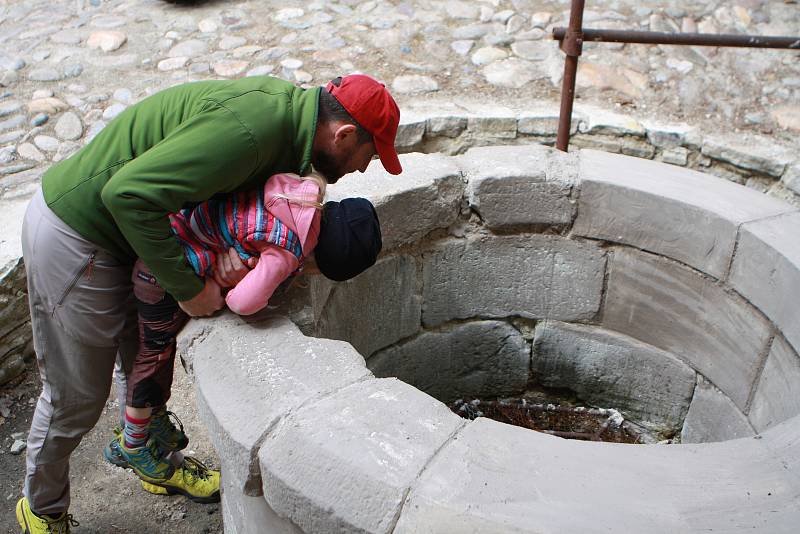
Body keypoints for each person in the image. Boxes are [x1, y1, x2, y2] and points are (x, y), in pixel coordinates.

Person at [16, 73, 401, 533]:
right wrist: (190, 289)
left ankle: (151, 454)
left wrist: (232, 255)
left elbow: (228, 202)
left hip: (131, 238)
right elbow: (126, 195)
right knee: (76, 396)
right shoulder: (252, 131)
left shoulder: (288, 126)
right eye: (370, 155)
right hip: (78, 235)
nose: (362, 169)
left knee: (142, 353)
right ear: (344, 134)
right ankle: (42, 510)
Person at [101, 172, 381, 501]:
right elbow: (243, 303)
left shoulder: (300, 196)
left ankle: (153, 420)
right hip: (161, 272)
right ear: (324, 265)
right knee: (155, 353)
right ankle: (133, 443)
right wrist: (237, 283)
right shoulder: (287, 251)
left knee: (160, 350)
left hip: (180, 230)